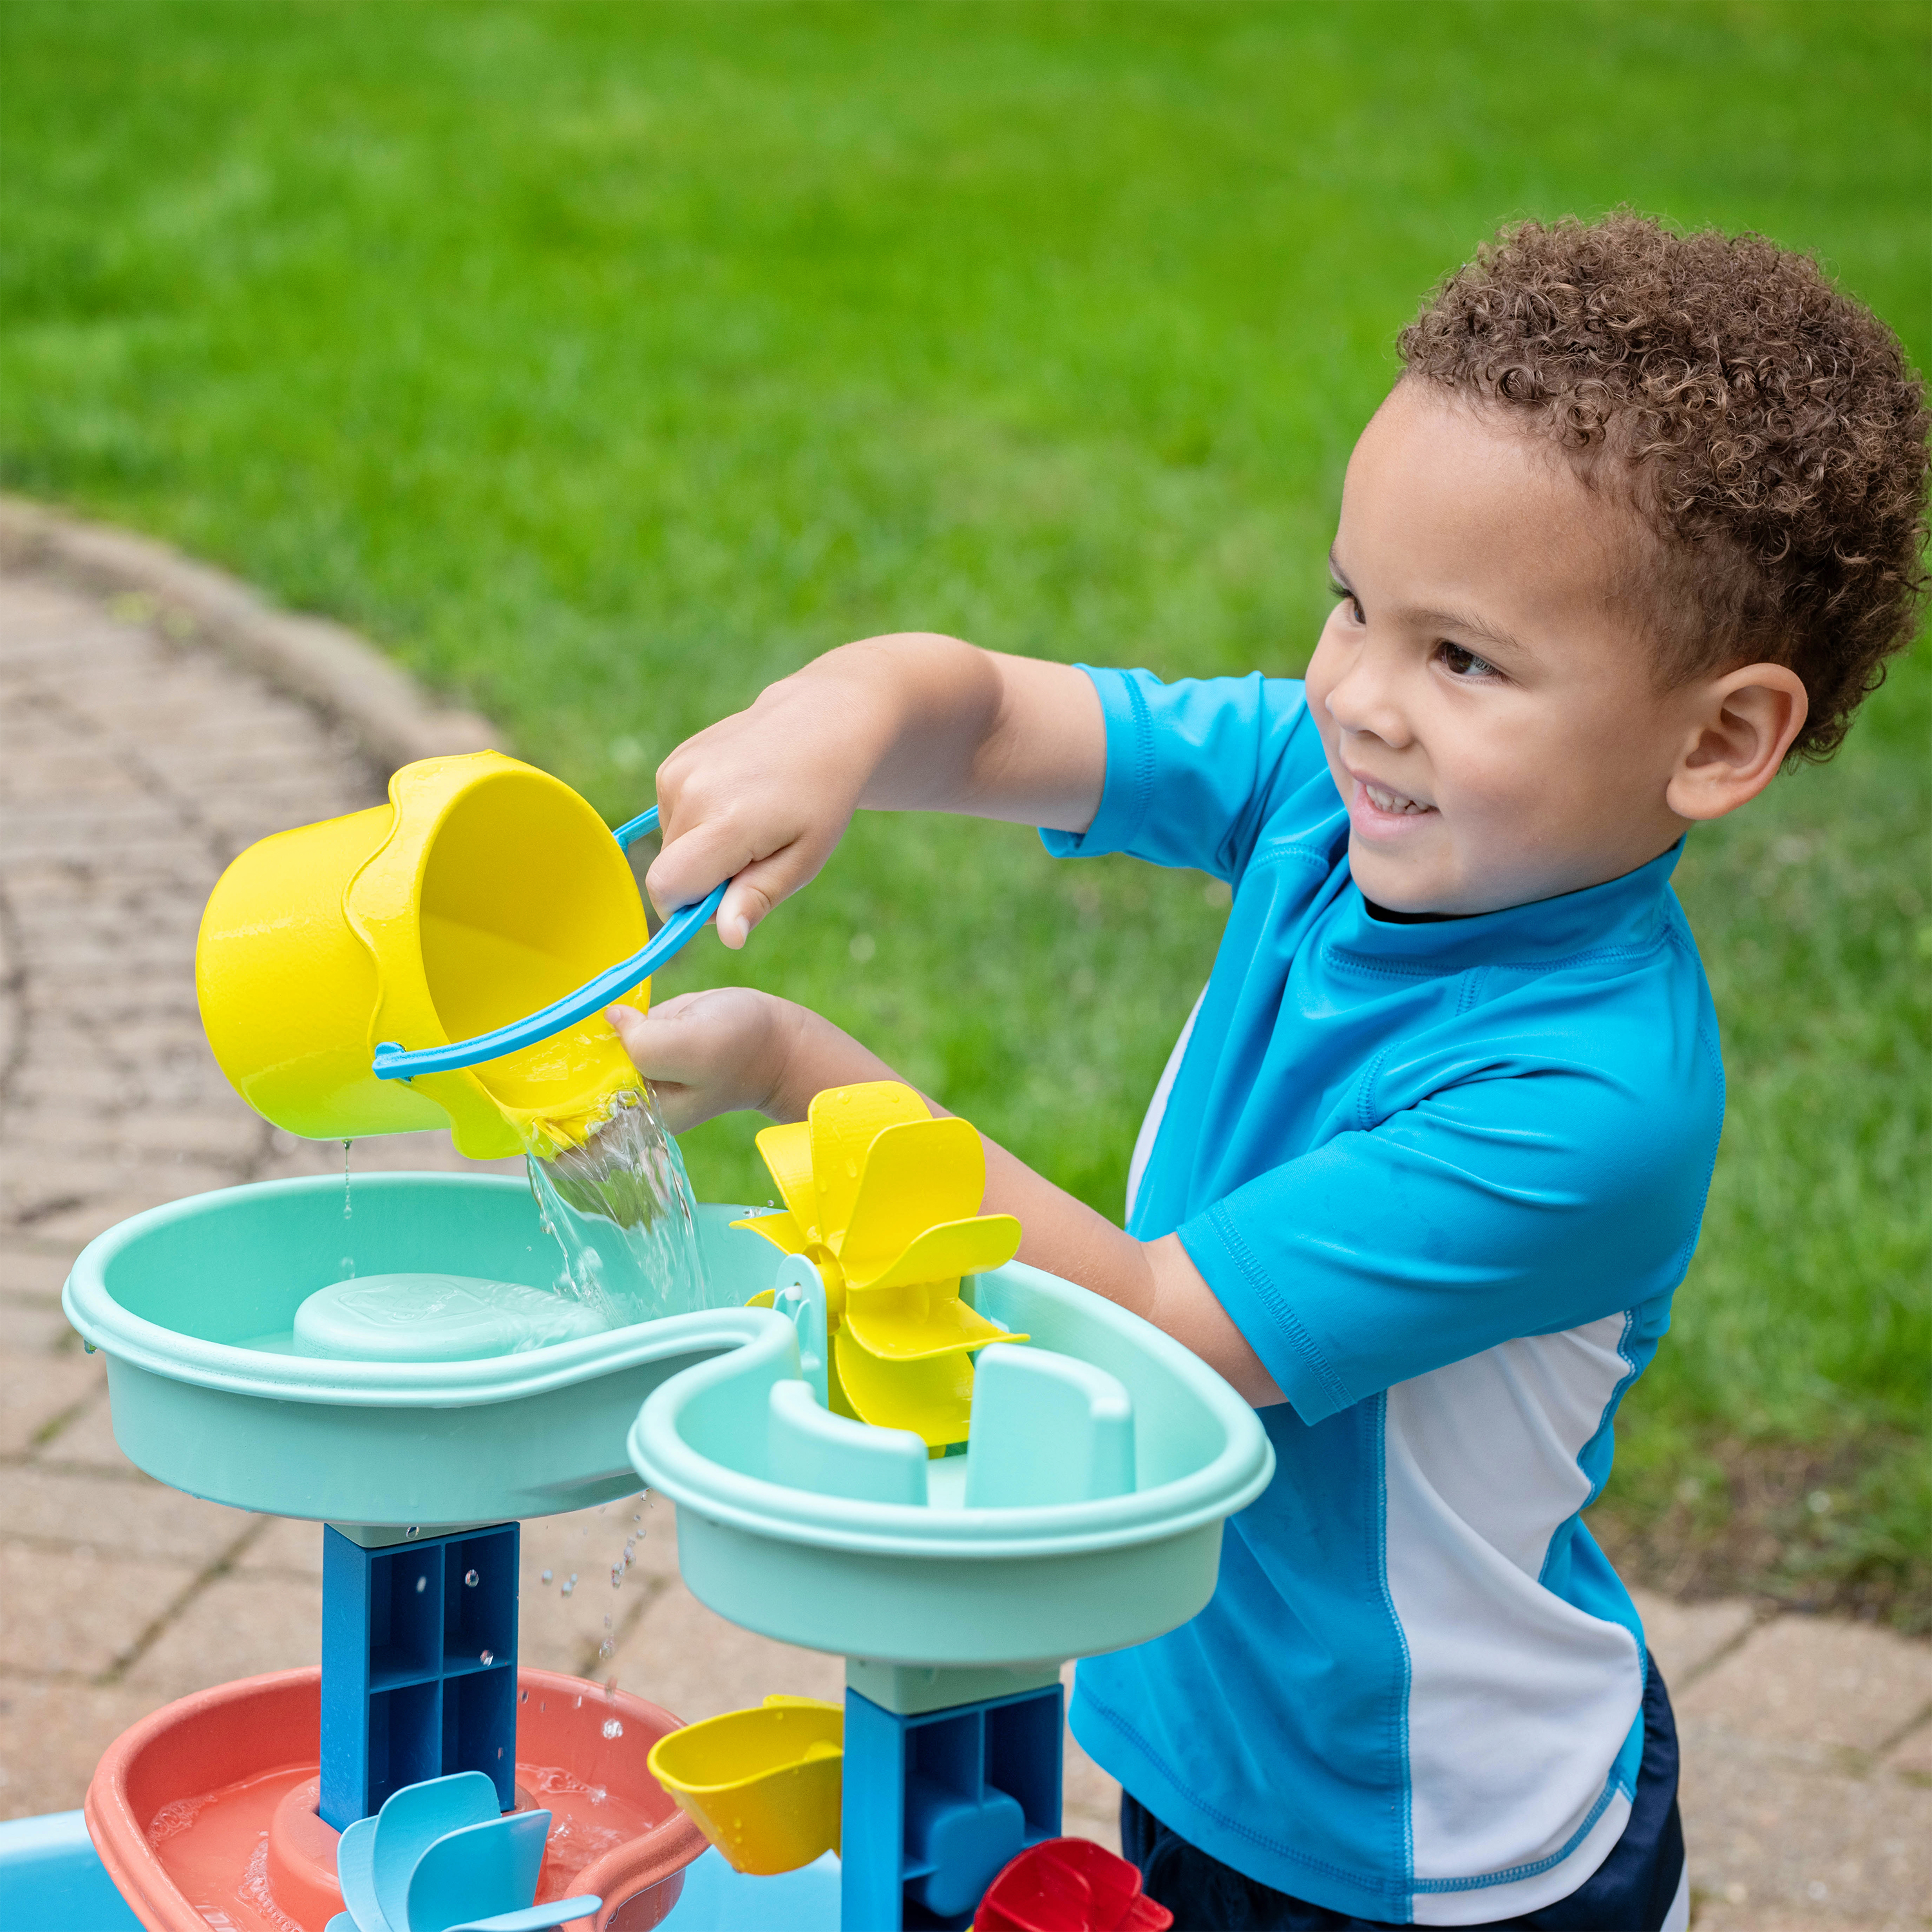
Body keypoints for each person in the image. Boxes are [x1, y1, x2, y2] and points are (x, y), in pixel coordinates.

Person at [607, 213, 1929, 1930]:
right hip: (1211, 1742)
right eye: (1352, 604)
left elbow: (1159, 1332)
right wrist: (836, 718)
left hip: (1423, 1845)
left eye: (1462, 657)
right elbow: (996, 717)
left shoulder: (1585, 1103)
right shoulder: (1334, 796)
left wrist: (798, 1065)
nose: (1360, 696)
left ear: (1720, 736)